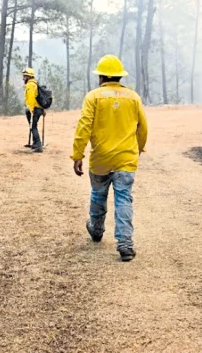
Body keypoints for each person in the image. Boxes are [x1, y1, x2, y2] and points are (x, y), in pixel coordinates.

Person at [71, 54, 148, 262]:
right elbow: (143, 127)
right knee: (124, 198)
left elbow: (84, 127)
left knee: (98, 194)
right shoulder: (133, 97)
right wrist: (138, 149)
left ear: (102, 77)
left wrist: (78, 154)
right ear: (119, 77)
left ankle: (96, 230)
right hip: (126, 159)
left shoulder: (93, 97)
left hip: (101, 159)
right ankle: (125, 244)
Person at [23, 67, 44, 151]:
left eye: (25, 76)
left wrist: (31, 110)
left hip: (34, 109)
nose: (24, 78)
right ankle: (35, 143)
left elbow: (31, 98)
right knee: (33, 126)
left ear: (29, 76)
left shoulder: (30, 85)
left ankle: (38, 145)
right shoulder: (35, 84)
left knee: (33, 126)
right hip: (38, 108)